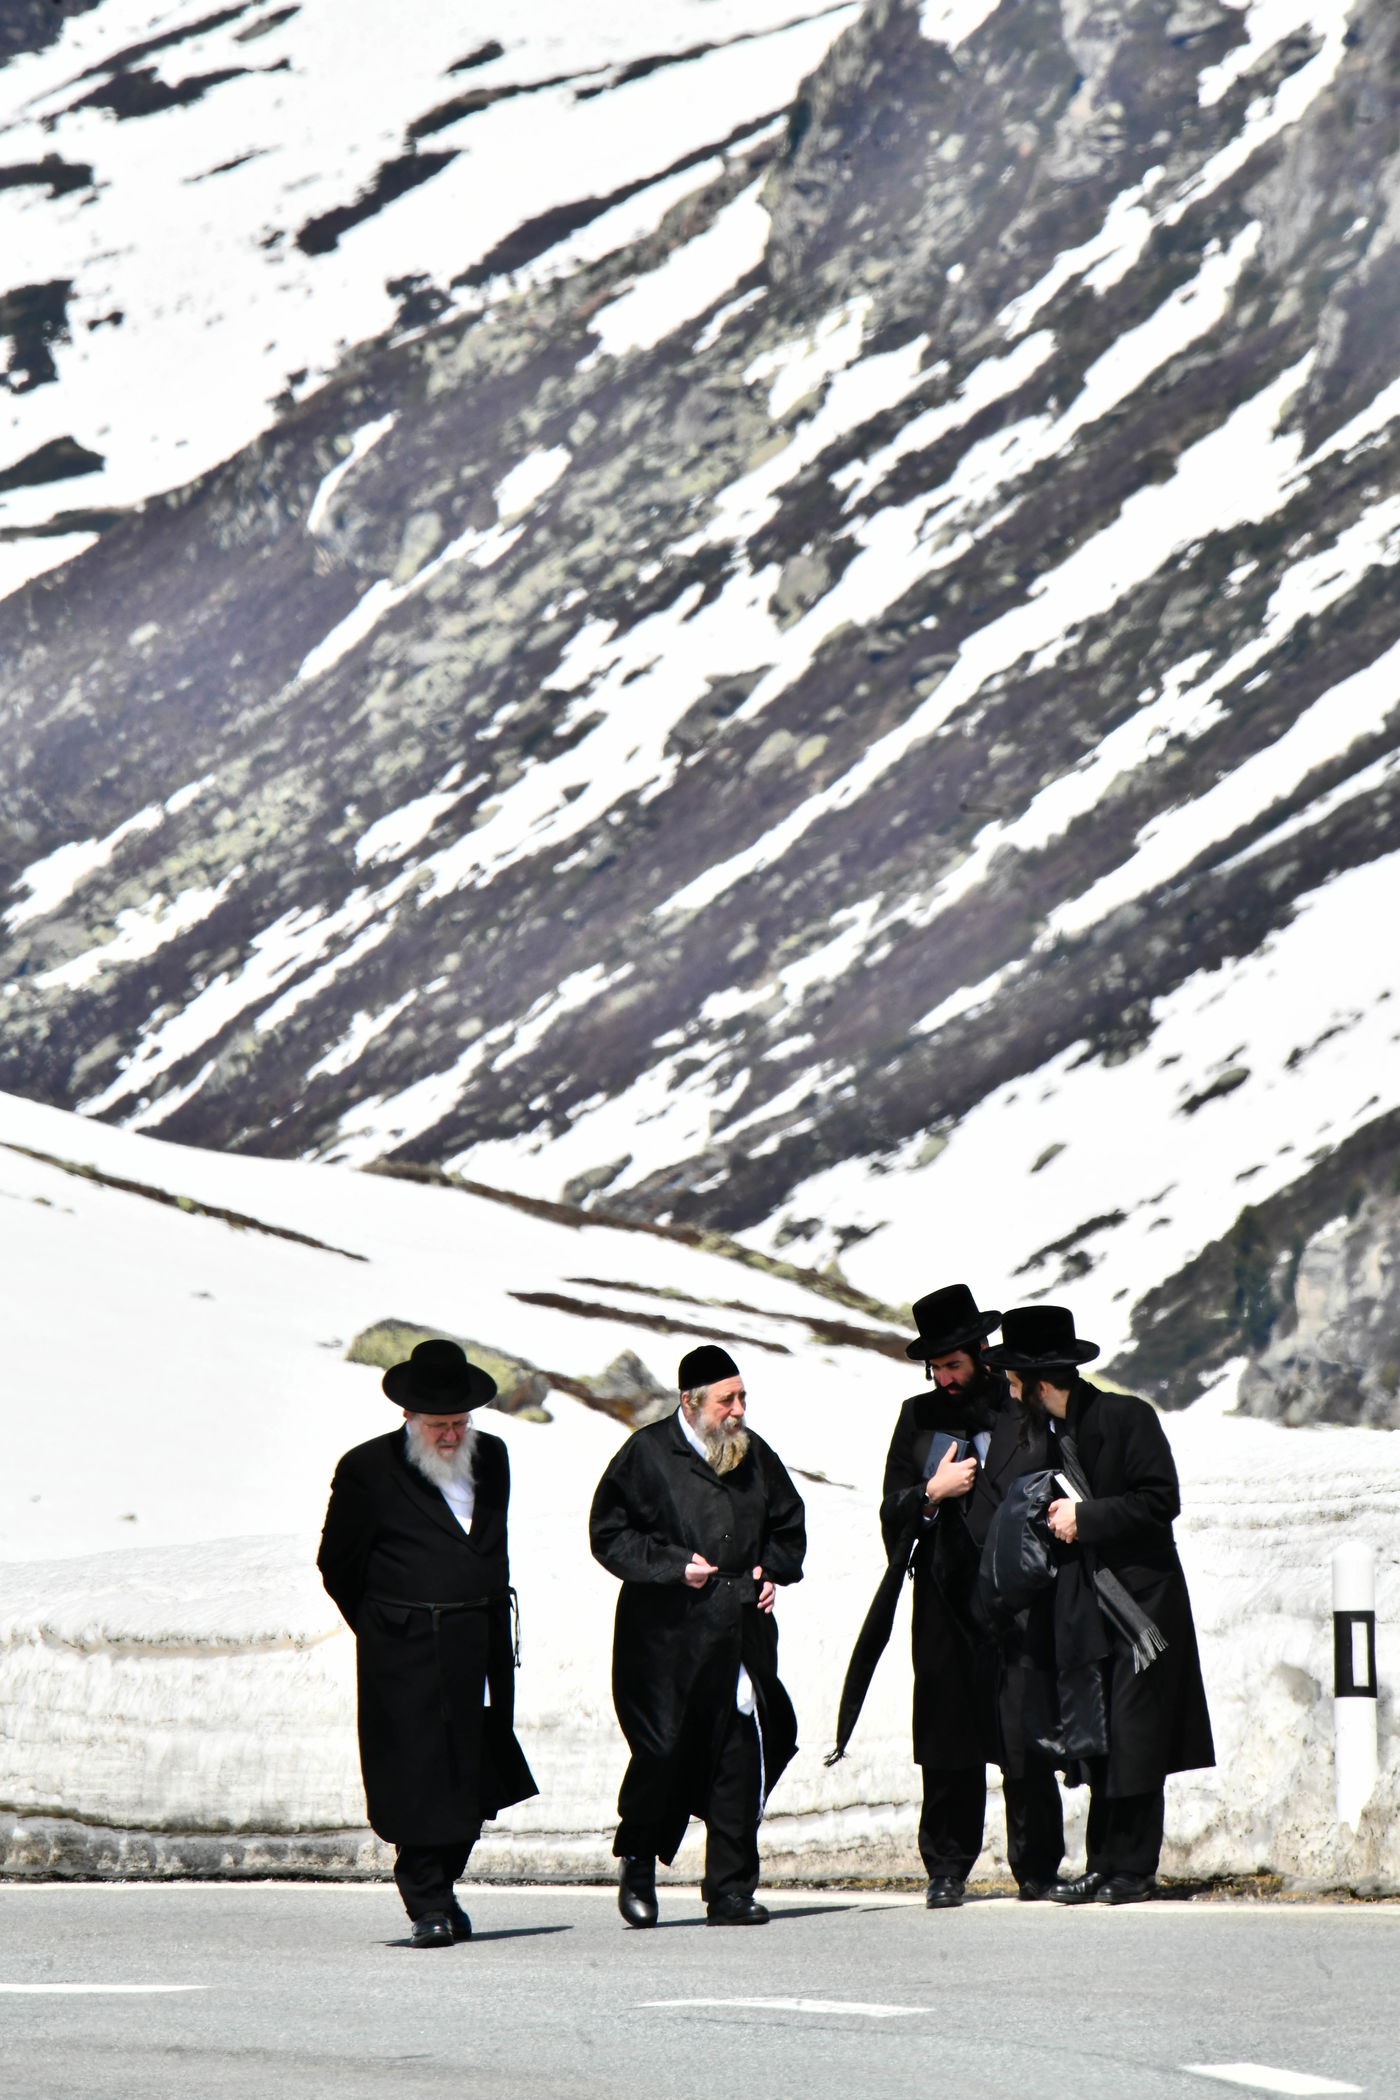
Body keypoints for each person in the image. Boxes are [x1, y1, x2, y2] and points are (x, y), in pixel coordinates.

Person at [981, 1305, 1215, 1904]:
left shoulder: (1125, 1416)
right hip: (1088, 1607)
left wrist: (1085, 1517)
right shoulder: (1051, 1436)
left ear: (1038, 1383)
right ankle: (1105, 1864)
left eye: (1013, 1379)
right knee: (1104, 1735)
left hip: (1141, 1606)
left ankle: (1133, 1869)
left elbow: (1160, 1500)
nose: (1008, 1390)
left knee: (1138, 1738)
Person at [317, 1338, 537, 1947]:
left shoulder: (492, 1456)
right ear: (409, 1418)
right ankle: (428, 1901)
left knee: (473, 1773)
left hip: (480, 1641)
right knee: (417, 1775)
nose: (450, 1435)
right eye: (439, 1425)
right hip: (405, 1649)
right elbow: (338, 1563)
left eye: (459, 1423)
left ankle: (442, 1881)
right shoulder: (367, 1468)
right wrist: (387, 1628)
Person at [589, 1343, 806, 1927]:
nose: (737, 1410)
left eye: (741, 1397)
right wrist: (670, 1564)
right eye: (725, 1400)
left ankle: (730, 1889)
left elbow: (788, 1524)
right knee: (661, 1753)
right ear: (689, 1402)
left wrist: (770, 1571)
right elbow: (609, 1536)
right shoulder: (646, 1454)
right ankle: (637, 1863)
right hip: (665, 1639)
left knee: (741, 1753)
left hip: (739, 1630)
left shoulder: (754, 1454)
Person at [874, 1284, 1066, 1907]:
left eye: (954, 1365)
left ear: (982, 1353)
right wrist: (933, 1490)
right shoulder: (917, 1416)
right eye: (936, 1368)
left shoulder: (1018, 1409)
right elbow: (891, 1507)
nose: (945, 1379)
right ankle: (947, 1868)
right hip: (942, 1601)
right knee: (948, 1740)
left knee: (1022, 1736)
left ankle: (1036, 1868)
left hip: (1016, 1600)